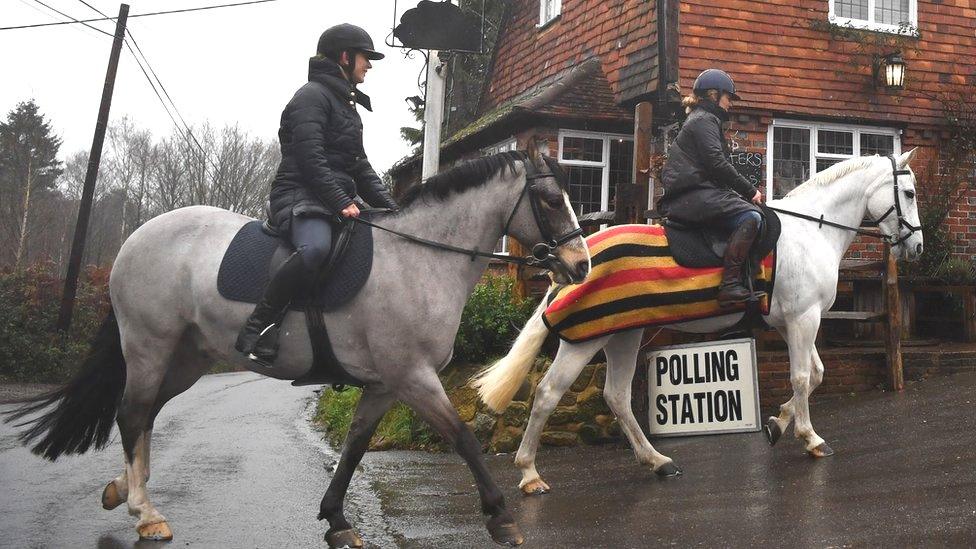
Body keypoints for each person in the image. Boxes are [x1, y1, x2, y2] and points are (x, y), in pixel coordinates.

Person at [235, 23, 399, 368]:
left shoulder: (346, 106)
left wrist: (392, 208)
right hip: (300, 196)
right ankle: (258, 327)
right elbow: (311, 159)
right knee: (315, 251)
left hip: (329, 199)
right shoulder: (311, 96)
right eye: (365, 58)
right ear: (345, 56)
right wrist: (342, 201)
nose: (368, 65)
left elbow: (359, 165)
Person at [658, 68, 764, 308]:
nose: (730, 104)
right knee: (751, 217)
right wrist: (750, 191)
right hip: (692, 196)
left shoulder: (701, 119)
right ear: (714, 95)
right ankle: (729, 285)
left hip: (695, 194)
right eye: (728, 98)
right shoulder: (704, 120)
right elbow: (717, 163)